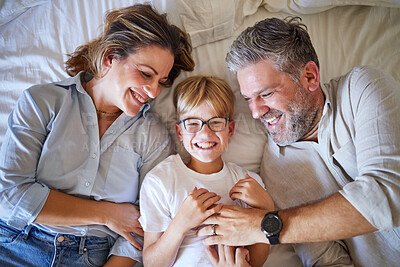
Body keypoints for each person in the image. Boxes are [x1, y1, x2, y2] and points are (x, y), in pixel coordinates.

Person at [0, 4, 194, 267]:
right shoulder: (42, 101)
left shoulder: (153, 136)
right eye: (146, 74)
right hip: (16, 244)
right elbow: (11, 195)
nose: (153, 91)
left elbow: (147, 224)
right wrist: (108, 214)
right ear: (110, 57)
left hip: (91, 257)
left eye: (161, 81)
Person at [197, 16, 400, 266]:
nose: (256, 112)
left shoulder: (363, 88)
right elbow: (327, 261)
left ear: (310, 77)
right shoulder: (275, 170)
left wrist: (264, 226)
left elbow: (389, 193)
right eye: (249, 98)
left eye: (266, 94)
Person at [138, 75, 272, 266]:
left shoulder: (248, 182)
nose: (205, 133)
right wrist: (181, 224)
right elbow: (152, 263)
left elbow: (257, 260)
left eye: (216, 122)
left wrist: (266, 209)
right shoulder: (161, 181)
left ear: (230, 129)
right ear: (179, 133)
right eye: (192, 123)